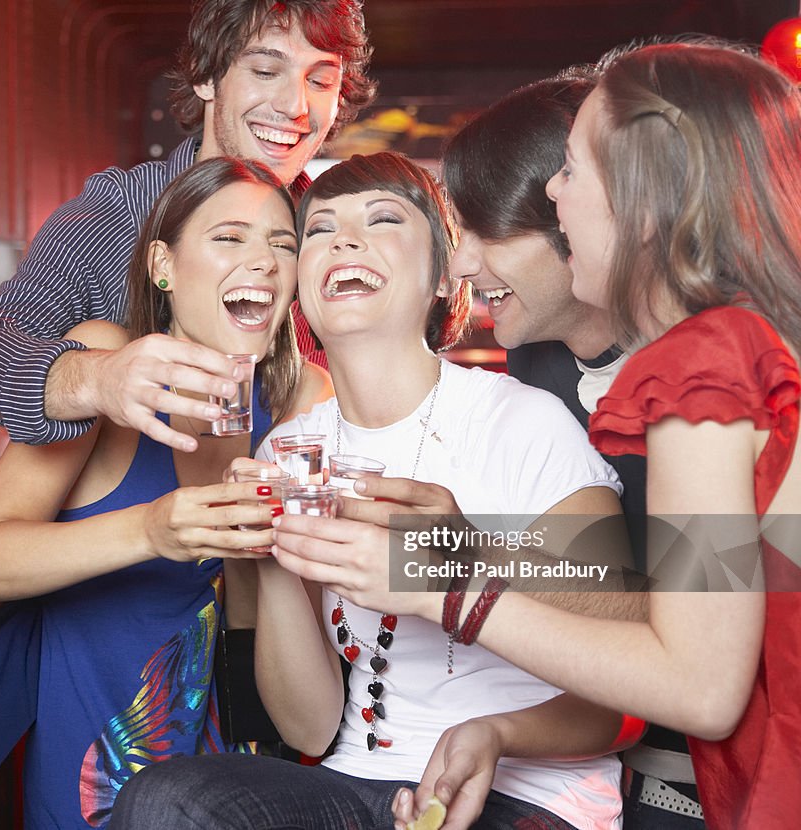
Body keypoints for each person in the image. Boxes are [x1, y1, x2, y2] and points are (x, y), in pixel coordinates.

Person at [109, 152, 640, 830]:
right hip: (356, 788)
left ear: (444, 276)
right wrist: (271, 551)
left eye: (383, 219)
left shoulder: (521, 421)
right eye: (320, 230)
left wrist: (496, 731)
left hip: (527, 794)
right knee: (162, 802)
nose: (345, 240)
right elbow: (308, 729)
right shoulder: (289, 452)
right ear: (298, 284)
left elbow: (628, 687)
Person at [386, 41, 801, 830]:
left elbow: (700, 686)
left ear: (642, 196)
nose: (551, 191)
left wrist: (442, 582)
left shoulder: (705, 364)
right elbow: (717, 596)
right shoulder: (756, 343)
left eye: (571, 168)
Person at [0, 157, 333, 828]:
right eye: (229, 237)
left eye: (283, 243)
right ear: (163, 265)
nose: (265, 262)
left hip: (237, 791)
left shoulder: (303, 401)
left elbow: (305, 716)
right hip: (93, 790)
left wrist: (270, 550)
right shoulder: (103, 360)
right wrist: (151, 530)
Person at [0, 0, 375, 450]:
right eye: (265, 71)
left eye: (320, 81)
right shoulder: (120, 212)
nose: (295, 105)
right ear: (206, 77)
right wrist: (98, 379)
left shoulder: (335, 229)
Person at [441, 73, 698, 828]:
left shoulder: (707, 371)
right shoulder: (540, 367)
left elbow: (687, 621)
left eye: (487, 233)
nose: (460, 266)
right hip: (620, 755)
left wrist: (437, 562)